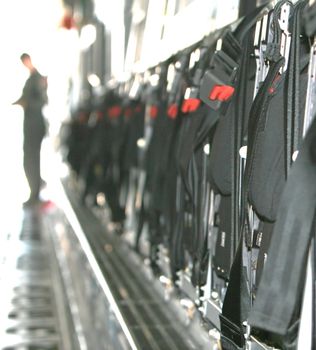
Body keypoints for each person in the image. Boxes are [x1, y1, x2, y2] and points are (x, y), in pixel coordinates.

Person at [13, 53, 48, 206]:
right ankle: (35, 189)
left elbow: (42, 101)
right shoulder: (32, 79)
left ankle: (35, 192)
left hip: (35, 123)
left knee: (31, 158)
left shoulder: (37, 79)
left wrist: (27, 103)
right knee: (30, 158)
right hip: (31, 123)